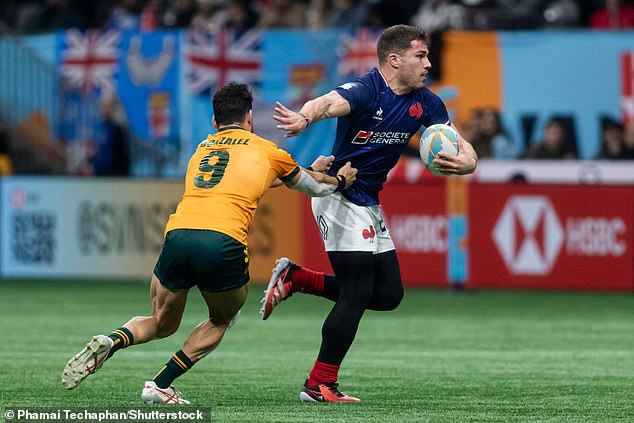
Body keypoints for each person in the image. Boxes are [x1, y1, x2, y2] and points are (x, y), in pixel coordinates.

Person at [61, 82, 357, 404]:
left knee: (160, 322)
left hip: (178, 235)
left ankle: (113, 340)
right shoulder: (267, 150)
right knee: (222, 317)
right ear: (250, 117)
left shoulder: (202, 150)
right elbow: (313, 187)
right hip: (222, 240)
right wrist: (339, 180)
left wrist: (307, 171)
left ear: (215, 122)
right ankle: (160, 384)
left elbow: (244, 182)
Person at [260, 24, 478, 402]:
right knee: (357, 292)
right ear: (394, 60)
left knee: (388, 295)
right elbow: (327, 103)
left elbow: (462, 144)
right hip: (337, 193)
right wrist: (304, 117)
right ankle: (318, 384)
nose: (428, 63)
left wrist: (468, 162)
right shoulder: (366, 90)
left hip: (368, 201)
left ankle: (297, 278)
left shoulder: (427, 103)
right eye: (420, 56)